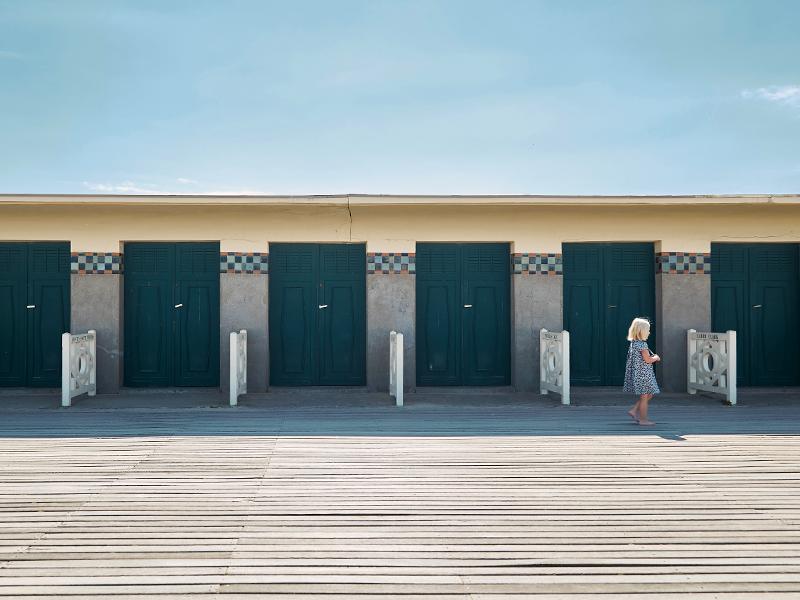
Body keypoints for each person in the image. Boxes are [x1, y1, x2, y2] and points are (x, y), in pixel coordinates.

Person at [623, 317, 661, 425]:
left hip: (638, 374)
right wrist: (656, 358)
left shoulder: (634, 343)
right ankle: (643, 420)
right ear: (642, 331)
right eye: (648, 330)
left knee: (649, 394)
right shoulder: (643, 345)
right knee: (645, 397)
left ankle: (634, 410)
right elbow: (648, 360)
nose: (649, 332)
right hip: (643, 375)